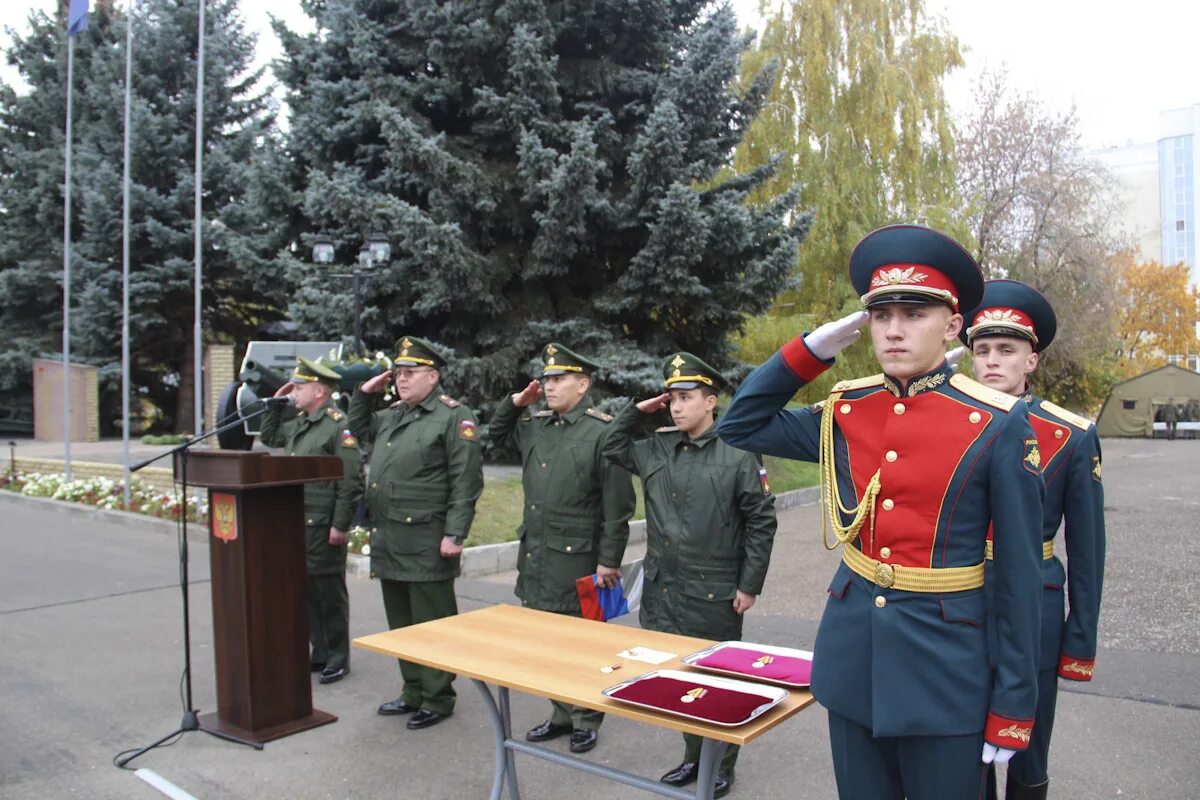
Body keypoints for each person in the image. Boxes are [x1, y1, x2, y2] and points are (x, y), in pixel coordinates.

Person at [717, 224, 1044, 799]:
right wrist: (811, 350)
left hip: (948, 673)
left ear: (953, 326)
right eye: (881, 314)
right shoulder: (848, 408)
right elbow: (740, 423)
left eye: (914, 314)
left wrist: (1014, 701)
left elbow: (1020, 574)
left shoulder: (998, 421)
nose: (893, 330)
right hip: (854, 662)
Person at [602, 352, 776, 799]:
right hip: (664, 589)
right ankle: (693, 758)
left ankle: (721, 766)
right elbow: (609, 449)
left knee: (719, 681)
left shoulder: (737, 451)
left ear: (710, 402)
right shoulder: (657, 446)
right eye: (672, 399)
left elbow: (761, 520)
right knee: (678, 678)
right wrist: (634, 412)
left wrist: (749, 585)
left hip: (715, 591)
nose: (676, 407)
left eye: (686, 397)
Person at [965, 280, 1106, 800]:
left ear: (1032, 361)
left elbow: (1089, 549)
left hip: (1036, 613)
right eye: (982, 351)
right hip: (963, 600)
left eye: (1007, 350)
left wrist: (1079, 637)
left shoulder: (1070, 435)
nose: (992, 362)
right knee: (966, 745)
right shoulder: (957, 423)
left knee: (1027, 748)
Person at [488, 343, 636, 754]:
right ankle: (560, 712)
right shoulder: (536, 423)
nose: (549, 387)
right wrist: (516, 403)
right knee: (544, 642)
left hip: (582, 560)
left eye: (559, 379)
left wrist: (610, 559)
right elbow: (495, 436)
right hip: (537, 555)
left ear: (583, 385)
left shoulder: (602, 430)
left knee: (585, 643)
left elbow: (618, 504)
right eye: (547, 379)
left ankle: (587, 718)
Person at [349, 335, 484, 730]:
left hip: (427, 538)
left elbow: (466, 482)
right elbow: (357, 428)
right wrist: (365, 392)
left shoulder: (453, 417)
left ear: (433, 376)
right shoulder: (392, 415)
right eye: (398, 374)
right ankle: (412, 690)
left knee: (433, 622)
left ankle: (438, 696)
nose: (401, 380)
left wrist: (454, 534)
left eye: (410, 373)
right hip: (390, 537)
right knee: (403, 623)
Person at [260, 356, 363, 685]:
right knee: (306, 592)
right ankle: (319, 652)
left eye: (301, 386)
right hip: (298, 522)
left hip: (322, 524)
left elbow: (350, 480)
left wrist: (341, 524)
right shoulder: (301, 424)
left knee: (328, 594)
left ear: (319, 390)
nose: (296, 392)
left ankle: (337, 657)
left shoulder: (337, 426)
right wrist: (276, 404)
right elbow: (271, 438)